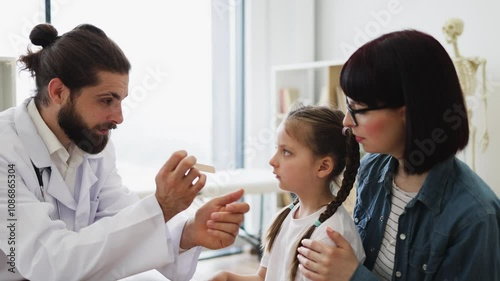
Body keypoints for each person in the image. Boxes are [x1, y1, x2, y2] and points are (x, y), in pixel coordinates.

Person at [0, 23, 250, 281]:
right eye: (106, 100)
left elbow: (120, 213)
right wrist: (162, 206)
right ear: (58, 92)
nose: (118, 117)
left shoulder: (93, 144)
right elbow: (48, 262)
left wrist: (189, 232)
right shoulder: (4, 151)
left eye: (121, 101)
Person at [296, 30, 500, 281]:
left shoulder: (474, 217)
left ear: (408, 112)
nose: (347, 122)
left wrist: (354, 276)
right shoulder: (373, 167)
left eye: (358, 109)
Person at [209, 105, 366, 281]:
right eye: (276, 149)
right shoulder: (284, 216)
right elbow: (263, 277)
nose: (272, 161)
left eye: (286, 152)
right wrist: (227, 277)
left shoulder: (330, 235)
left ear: (323, 166)